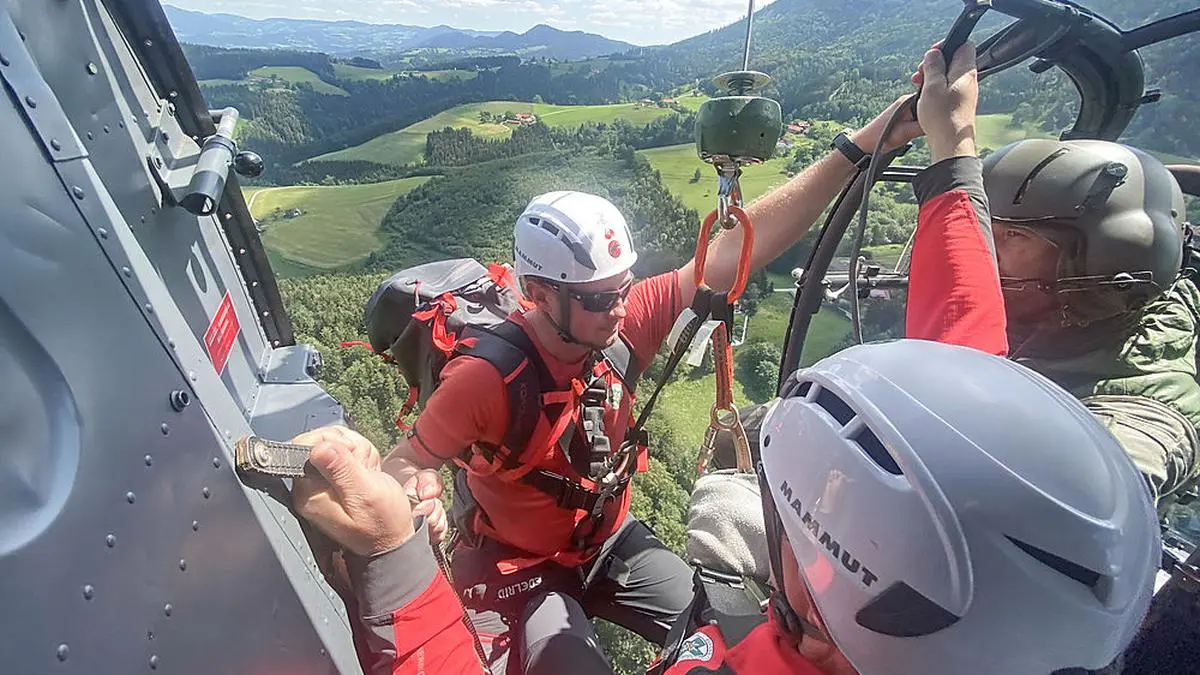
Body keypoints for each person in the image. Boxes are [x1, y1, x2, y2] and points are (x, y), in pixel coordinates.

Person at [374, 42, 971, 675]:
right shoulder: (485, 381)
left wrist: (869, 141)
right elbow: (404, 462)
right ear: (539, 293)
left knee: (732, 630)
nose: (619, 308)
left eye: (624, 288)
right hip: (519, 568)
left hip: (606, 542)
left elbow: (735, 251)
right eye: (599, 298)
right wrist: (418, 490)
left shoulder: (618, 322)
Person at [293, 336, 1160, 675]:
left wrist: (393, 559)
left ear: (846, 581)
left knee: (557, 640)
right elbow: (964, 450)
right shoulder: (1022, 627)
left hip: (585, 571)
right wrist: (946, 160)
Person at [982, 136, 1200, 509]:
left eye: (1014, 235)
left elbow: (1086, 502)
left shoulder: (1137, 418)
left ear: (1108, 257)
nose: (985, 250)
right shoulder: (1052, 324)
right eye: (984, 227)